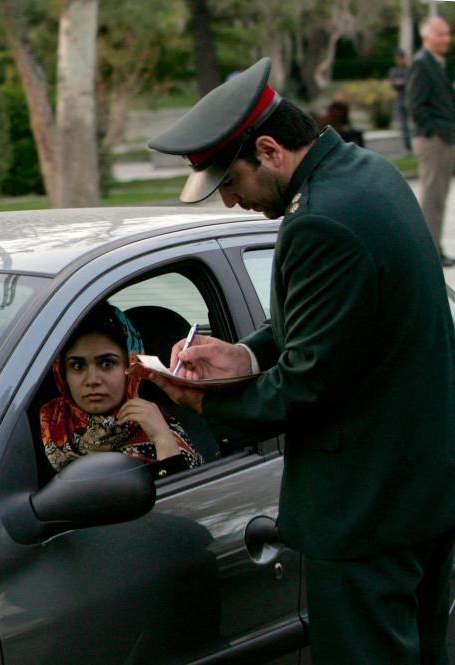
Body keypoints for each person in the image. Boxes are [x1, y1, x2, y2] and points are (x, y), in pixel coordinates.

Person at [146, 57, 455, 664]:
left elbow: (304, 387)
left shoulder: (320, 223)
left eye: (230, 183)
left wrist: (203, 401)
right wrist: (242, 352)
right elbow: (335, 320)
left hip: (366, 514)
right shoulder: (368, 174)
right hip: (421, 494)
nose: (231, 203)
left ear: (269, 148)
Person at [39, 303, 203, 480]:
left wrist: (163, 441)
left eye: (107, 363)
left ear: (132, 366)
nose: (92, 380)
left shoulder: (159, 428)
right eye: (77, 366)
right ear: (62, 373)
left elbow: (186, 503)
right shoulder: (40, 426)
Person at [407, 16, 455, 267]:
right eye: (441, 34)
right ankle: (430, 252)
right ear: (427, 37)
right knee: (432, 197)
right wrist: (435, 131)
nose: (446, 39)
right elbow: (415, 106)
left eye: (447, 34)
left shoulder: (436, 63)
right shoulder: (422, 64)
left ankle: (435, 247)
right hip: (433, 140)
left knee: (439, 196)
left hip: (443, 138)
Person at [388, 48, 412, 153]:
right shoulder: (394, 71)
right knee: (403, 126)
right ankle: (407, 147)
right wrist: (402, 82)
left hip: (410, 100)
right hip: (400, 100)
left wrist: (400, 82)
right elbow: (393, 83)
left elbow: (409, 83)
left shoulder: (409, 70)